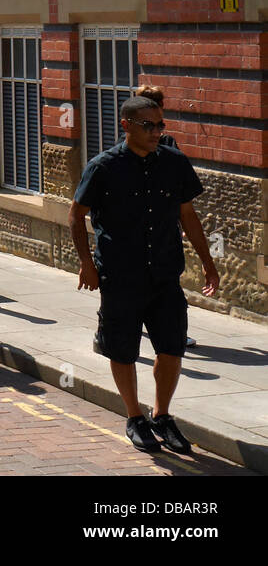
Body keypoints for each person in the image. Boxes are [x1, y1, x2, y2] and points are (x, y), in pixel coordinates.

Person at [70, 96, 218, 454]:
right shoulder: (103, 167)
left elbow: (188, 215)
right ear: (126, 125)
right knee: (122, 350)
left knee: (171, 346)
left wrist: (208, 261)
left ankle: (162, 416)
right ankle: (135, 416)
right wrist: (87, 263)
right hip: (121, 276)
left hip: (165, 274)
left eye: (160, 125)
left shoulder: (174, 163)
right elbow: (76, 215)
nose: (156, 132)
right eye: (148, 125)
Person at [134, 84, 197, 351]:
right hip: (150, 231)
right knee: (158, 285)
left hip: (151, 230)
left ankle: (126, 329)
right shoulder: (164, 144)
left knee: (151, 285)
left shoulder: (132, 141)